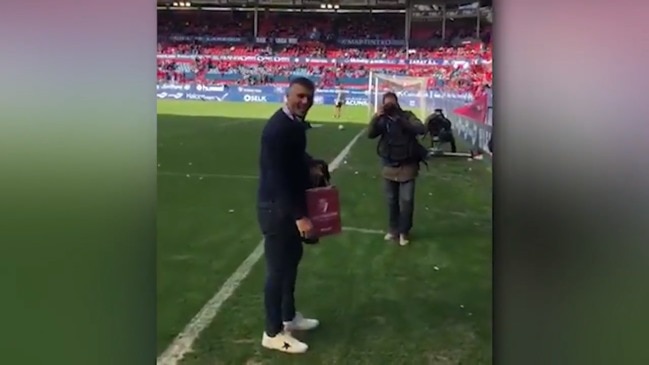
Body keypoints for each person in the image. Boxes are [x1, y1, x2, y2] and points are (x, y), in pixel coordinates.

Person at [256, 77, 321, 354]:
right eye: (300, 96)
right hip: (277, 209)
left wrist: (312, 164)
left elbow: (293, 158)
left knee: (291, 263)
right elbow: (277, 176)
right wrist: (299, 216)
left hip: (288, 206)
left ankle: (288, 316)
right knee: (277, 270)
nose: (305, 101)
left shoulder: (292, 124)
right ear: (287, 95)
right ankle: (272, 332)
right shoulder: (278, 128)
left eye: (309, 97)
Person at [368, 92, 427, 246]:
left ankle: (404, 231)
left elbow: (420, 128)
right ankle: (393, 229)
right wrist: (376, 117)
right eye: (387, 104)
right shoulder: (383, 120)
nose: (390, 107)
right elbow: (370, 134)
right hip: (389, 165)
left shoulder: (407, 116)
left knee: (407, 201)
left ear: (397, 103)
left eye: (392, 104)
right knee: (391, 200)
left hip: (408, 165)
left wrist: (401, 121)